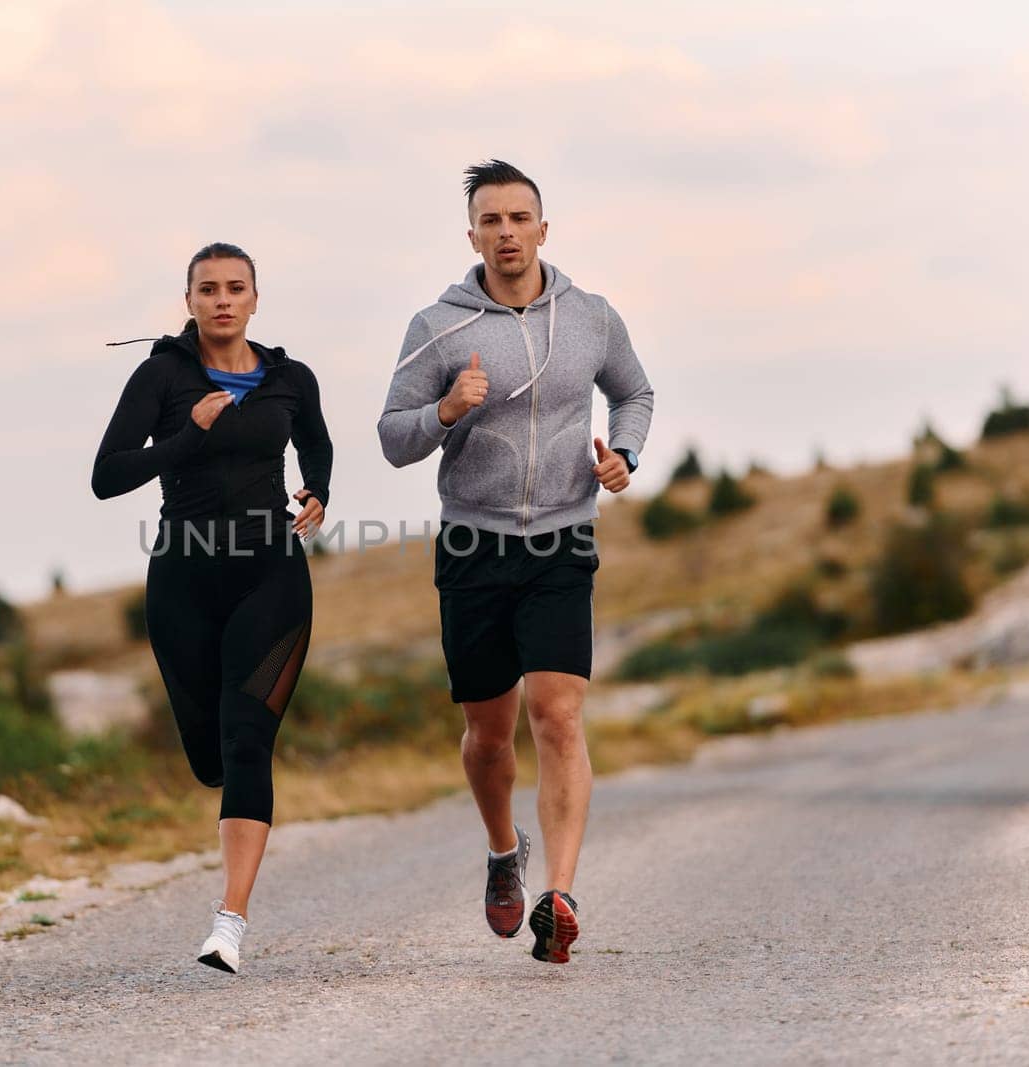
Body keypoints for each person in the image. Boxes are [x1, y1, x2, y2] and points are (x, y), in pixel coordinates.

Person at [377, 161, 654, 964]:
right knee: (488, 735)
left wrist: (623, 453)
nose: (506, 232)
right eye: (490, 220)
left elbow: (634, 392)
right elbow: (393, 437)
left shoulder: (592, 317)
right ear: (472, 235)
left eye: (518, 217)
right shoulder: (438, 327)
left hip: (562, 541)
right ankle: (506, 850)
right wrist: (443, 410)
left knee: (559, 716)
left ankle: (559, 895)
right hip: (473, 545)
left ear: (543, 227)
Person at [91, 242, 332, 974]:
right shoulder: (161, 376)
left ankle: (230, 920)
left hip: (271, 572)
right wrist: (187, 431)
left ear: (255, 298)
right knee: (209, 755)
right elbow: (107, 476)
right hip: (184, 578)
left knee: (246, 739)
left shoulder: (291, 378)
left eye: (236, 288)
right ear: (189, 300)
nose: (223, 299)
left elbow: (316, 444)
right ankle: (226, 813)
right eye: (208, 289)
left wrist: (318, 491)